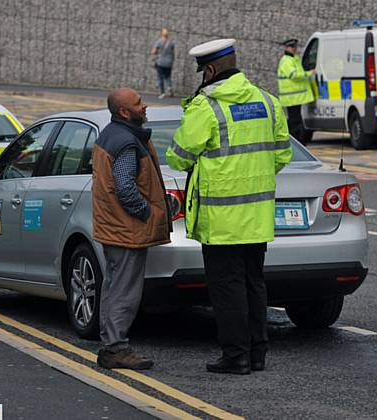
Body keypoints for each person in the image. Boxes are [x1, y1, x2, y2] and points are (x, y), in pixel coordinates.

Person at [166, 39, 292, 374]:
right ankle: (257, 353)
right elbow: (282, 153)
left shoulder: (207, 107)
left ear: (208, 71)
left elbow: (178, 157)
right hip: (258, 216)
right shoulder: (267, 101)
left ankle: (236, 356)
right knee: (254, 282)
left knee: (227, 288)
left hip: (221, 219)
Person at [92, 88, 172, 370]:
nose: (144, 105)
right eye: (138, 103)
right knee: (125, 291)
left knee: (114, 287)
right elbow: (125, 187)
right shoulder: (127, 142)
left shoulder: (111, 133)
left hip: (114, 228)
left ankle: (110, 346)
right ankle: (116, 348)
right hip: (126, 229)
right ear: (124, 112)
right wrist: (147, 213)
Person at [277, 38, 315, 143]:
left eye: (295, 47)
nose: (294, 49)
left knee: (295, 120)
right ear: (286, 48)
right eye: (292, 47)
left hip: (296, 97)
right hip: (291, 98)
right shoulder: (286, 61)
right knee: (295, 121)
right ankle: (296, 141)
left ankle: (295, 140)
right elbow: (293, 75)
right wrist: (309, 73)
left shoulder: (294, 59)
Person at [151, 29, 175, 99]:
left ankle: (162, 93)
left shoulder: (159, 42)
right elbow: (173, 53)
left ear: (161, 34)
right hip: (169, 62)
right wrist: (172, 60)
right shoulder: (171, 43)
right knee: (168, 76)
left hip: (160, 62)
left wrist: (157, 53)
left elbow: (153, 52)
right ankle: (169, 87)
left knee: (160, 77)